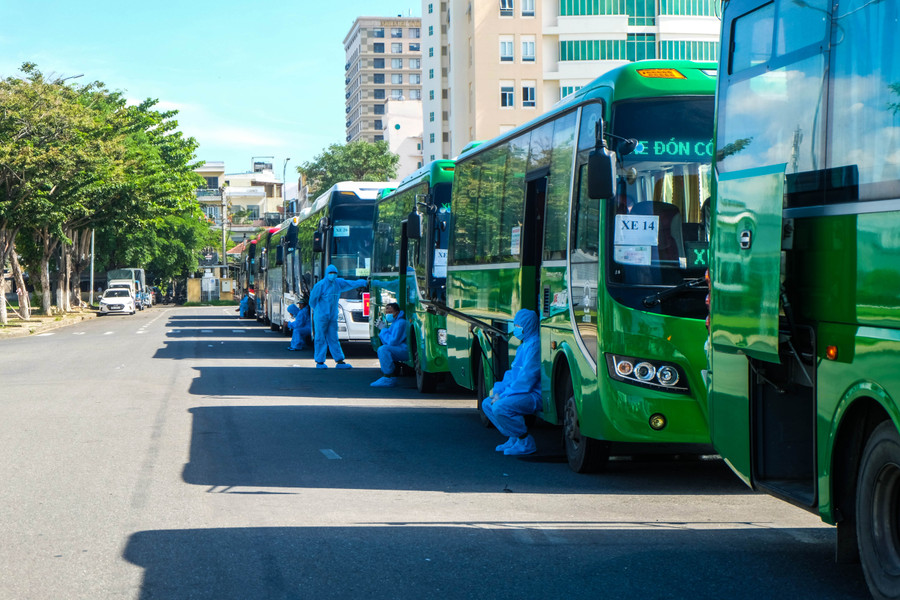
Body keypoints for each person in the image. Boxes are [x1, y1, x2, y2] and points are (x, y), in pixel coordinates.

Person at [482, 308, 542, 456]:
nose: (516, 329)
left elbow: (526, 379)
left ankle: (525, 441)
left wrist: (504, 395)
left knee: (500, 407)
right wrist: (499, 391)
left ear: (527, 325)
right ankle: (514, 437)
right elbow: (512, 374)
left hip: (532, 395)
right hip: (519, 392)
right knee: (487, 404)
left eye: (518, 326)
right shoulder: (525, 345)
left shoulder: (535, 346)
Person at [308, 264, 367, 369]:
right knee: (320, 337)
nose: (333, 275)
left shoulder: (338, 283)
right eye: (331, 273)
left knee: (334, 337)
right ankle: (320, 361)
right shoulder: (320, 285)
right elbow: (312, 300)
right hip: (321, 316)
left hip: (332, 316)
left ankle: (339, 361)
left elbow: (351, 283)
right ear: (327, 274)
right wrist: (319, 310)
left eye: (334, 273)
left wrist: (363, 282)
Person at [371, 302, 408, 387]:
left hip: (404, 350)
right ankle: (389, 377)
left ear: (397, 312)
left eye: (390, 312)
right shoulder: (396, 322)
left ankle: (388, 376)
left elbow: (392, 342)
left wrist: (383, 330)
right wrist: (384, 330)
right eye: (387, 312)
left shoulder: (400, 323)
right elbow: (388, 341)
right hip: (401, 348)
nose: (388, 314)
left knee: (383, 349)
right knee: (383, 349)